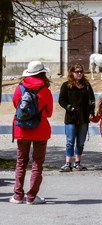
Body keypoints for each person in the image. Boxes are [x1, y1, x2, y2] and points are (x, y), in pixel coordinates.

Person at [9, 61, 53, 204]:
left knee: (21, 162)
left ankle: (17, 196)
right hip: (40, 130)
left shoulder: (19, 88)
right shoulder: (45, 91)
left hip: (22, 130)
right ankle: (31, 197)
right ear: (42, 73)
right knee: (37, 163)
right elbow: (49, 112)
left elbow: (17, 105)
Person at [58, 63, 95, 172]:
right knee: (70, 141)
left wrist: (92, 113)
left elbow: (92, 101)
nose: (79, 74)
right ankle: (68, 163)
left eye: (81, 71)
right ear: (72, 73)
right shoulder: (66, 85)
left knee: (81, 142)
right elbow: (61, 100)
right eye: (77, 72)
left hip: (84, 118)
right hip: (71, 118)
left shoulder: (87, 85)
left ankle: (77, 163)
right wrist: (69, 107)